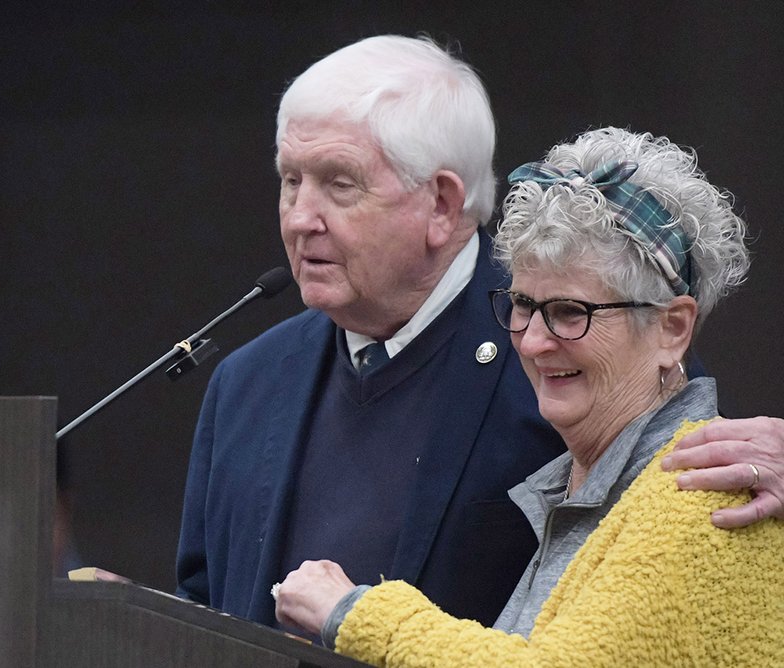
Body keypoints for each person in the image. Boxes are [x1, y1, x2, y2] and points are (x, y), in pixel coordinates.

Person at [176, 34, 784, 631]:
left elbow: (700, 518)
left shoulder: (573, 351)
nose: (301, 217)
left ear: (442, 203)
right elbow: (204, 602)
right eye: (290, 181)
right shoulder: (245, 382)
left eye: (339, 183)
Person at [274, 127, 784, 665]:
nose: (535, 342)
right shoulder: (591, 485)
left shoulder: (704, 489)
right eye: (523, 304)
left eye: (571, 312)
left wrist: (354, 614)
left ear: (672, 329)